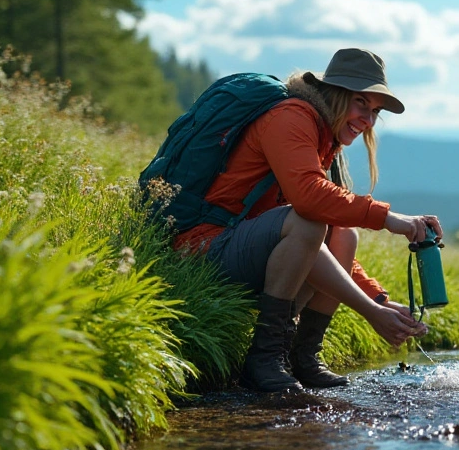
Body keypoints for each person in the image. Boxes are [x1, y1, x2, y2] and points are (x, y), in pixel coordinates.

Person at [173, 48, 442, 393]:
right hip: (203, 246)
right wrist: (390, 220)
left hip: (245, 248)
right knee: (309, 222)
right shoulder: (292, 117)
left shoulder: (323, 137)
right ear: (334, 93)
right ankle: (265, 358)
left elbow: (321, 247)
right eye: (362, 103)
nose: (368, 120)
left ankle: (302, 356)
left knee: (343, 235)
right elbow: (307, 197)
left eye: (375, 111)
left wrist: (379, 301)